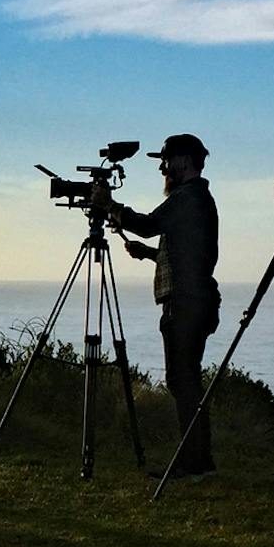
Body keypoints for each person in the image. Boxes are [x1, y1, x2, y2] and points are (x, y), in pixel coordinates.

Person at [92, 133, 220, 480]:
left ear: (183, 161)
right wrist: (150, 254)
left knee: (183, 382)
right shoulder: (195, 200)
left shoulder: (187, 198)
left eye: (166, 161)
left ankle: (193, 463)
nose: (163, 167)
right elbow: (188, 253)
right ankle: (198, 460)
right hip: (196, 301)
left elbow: (149, 225)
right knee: (186, 380)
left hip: (186, 305)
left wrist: (109, 205)